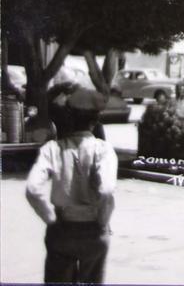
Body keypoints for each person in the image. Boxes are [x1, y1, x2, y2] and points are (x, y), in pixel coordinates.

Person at [25, 88, 118, 284]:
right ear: (95, 120)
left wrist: (51, 220)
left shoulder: (52, 149)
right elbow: (107, 191)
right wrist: (101, 222)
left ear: (69, 118)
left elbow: (33, 189)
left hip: (62, 229)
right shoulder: (103, 150)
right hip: (93, 232)